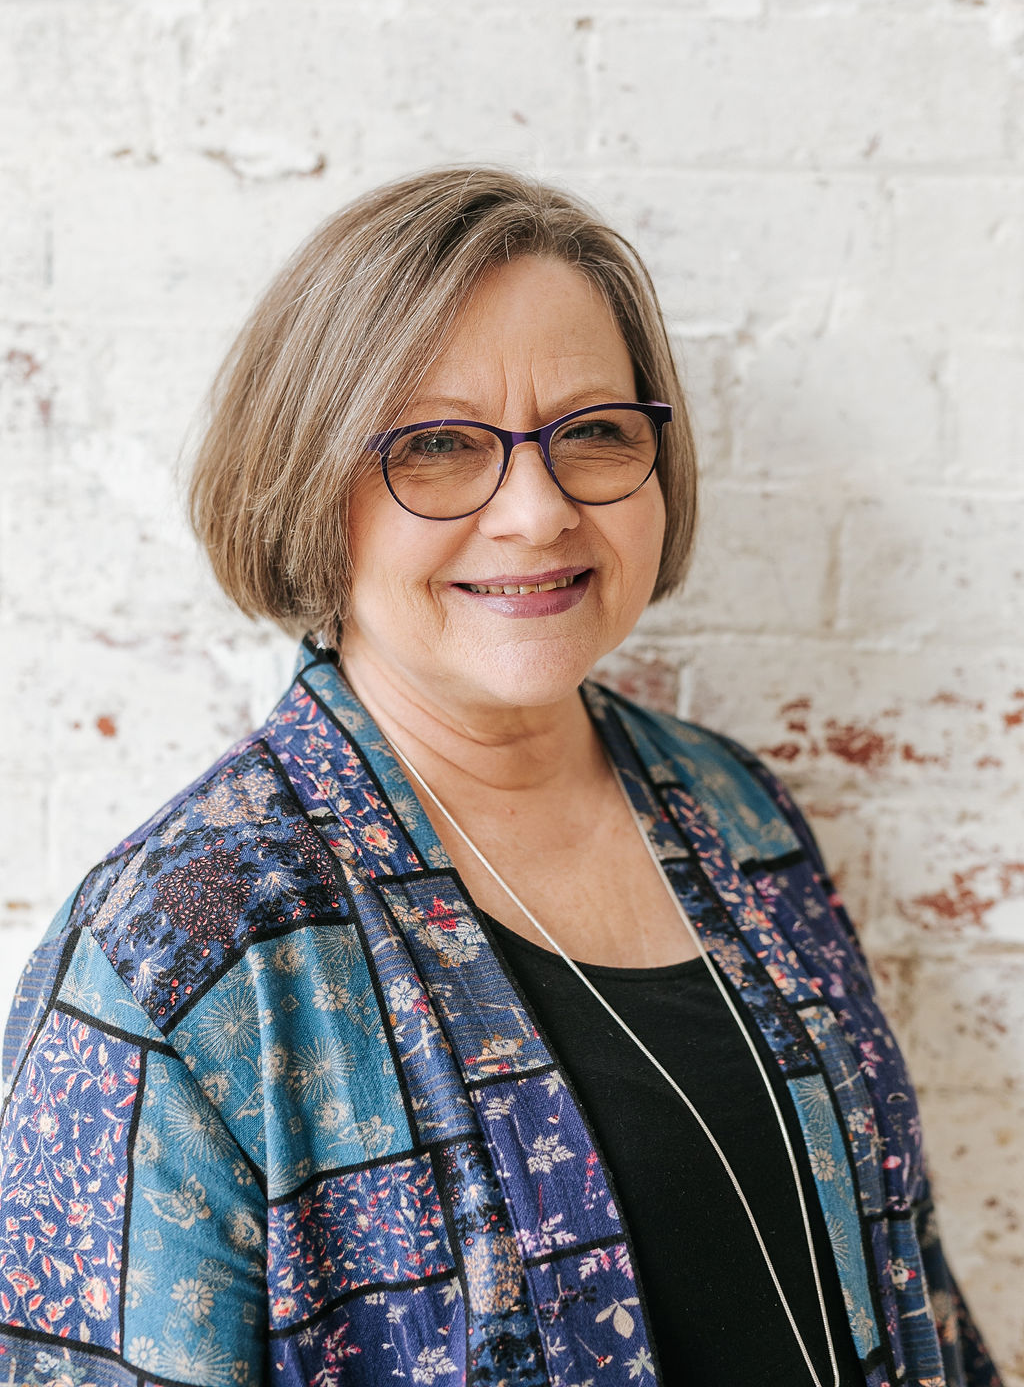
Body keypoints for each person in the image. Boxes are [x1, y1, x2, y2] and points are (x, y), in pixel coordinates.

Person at [0, 168, 1001, 1387]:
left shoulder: (739, 814)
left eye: (592, 432)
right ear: (308, 484)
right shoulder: (182, 953)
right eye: (435, 445)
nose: (536, 512)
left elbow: (911, 1287)